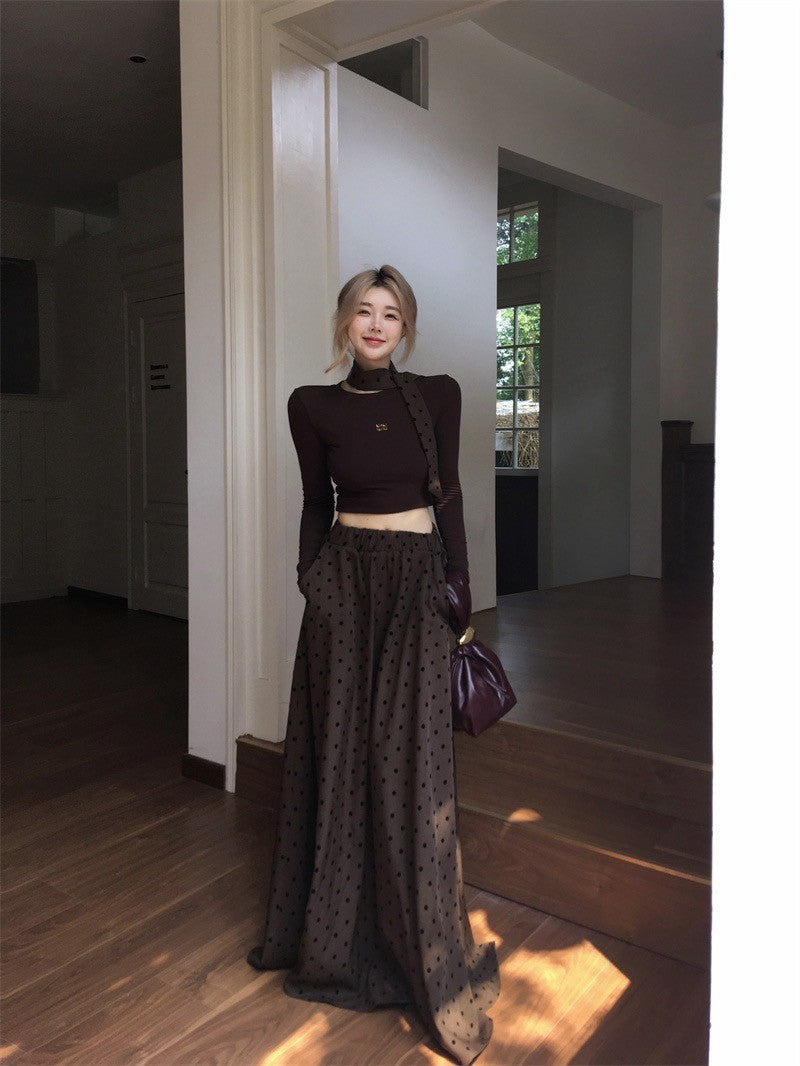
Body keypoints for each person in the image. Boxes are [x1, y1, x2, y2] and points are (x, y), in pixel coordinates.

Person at [246, 265, 500, 1064]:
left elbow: (448, 494)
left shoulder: (437, 396)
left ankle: (420, 948)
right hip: (345, 585)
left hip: (417, 582)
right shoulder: (311, 405)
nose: (378, 324)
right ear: (345, 321)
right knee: (342, 754)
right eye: (365, 310)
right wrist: (310, 579)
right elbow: (312, 501)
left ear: (406, 326)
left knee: (413, 765)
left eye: (392, 313)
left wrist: (460, 588)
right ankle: (332, 936)